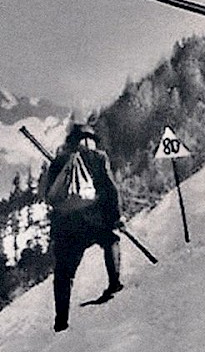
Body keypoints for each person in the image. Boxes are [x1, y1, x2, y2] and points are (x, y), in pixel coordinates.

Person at [45, 122, 123, 332]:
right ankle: (114, 283)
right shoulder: (98, 157)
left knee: (63, 273)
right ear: (89, 140)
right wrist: (116, 217)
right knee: (111, 240)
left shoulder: (59, 162)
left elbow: (50, 196)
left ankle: (61, 319)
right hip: (95, 221)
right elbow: (110, 189)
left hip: (66, 227)